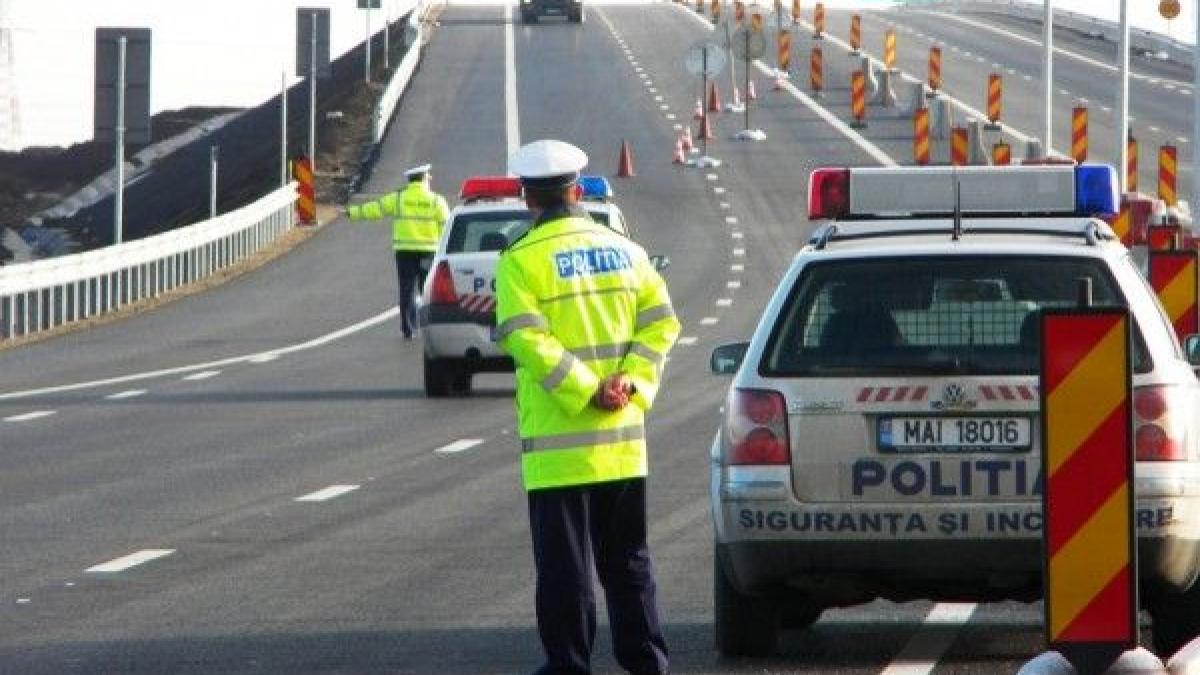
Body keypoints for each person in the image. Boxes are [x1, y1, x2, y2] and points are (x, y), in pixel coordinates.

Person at [494, 140, 680, 675]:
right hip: (621, 444)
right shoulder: (628, 252)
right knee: (628, 563)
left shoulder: (519, 262)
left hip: (557, 453)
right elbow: (662, 323)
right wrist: (630, 383)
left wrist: (585, 389)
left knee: (565, 571)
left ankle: (570, 666)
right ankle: (647, 664)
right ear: (578, 190)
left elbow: (530, 344)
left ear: (526, 196)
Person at [347, 164, 449, 339]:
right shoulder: (436, 200)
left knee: (406, 289)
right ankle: (429, 327)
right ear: (424, 179)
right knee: (428, 290)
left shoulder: (399, 198)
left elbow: (376, 208)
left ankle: (408, 328)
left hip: (405, 252)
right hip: (428, 252)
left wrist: (353, 212)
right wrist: (443, 249)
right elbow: (446, 225)